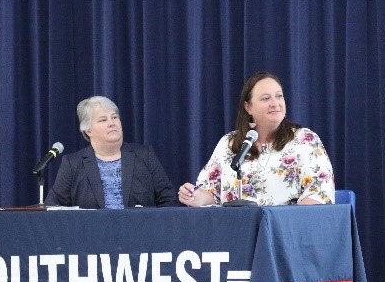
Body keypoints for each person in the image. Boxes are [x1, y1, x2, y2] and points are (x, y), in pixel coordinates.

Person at [178, 72, 335, 206]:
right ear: (248, 107)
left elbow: (319, 194)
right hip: (237, 233)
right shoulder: (229, 143)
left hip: (284, 235)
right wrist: (193, 196)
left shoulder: (305, 140)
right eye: (266, 98)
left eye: (279, 96)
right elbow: (210, 192)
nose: (275, 103)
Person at [45, 96, 177, 209]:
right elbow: (52, 207)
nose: (112, 123)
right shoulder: (72, 164)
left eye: (114, 117)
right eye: (103, 120)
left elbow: (168, 200)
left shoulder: (144, 155)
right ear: (88, 130)